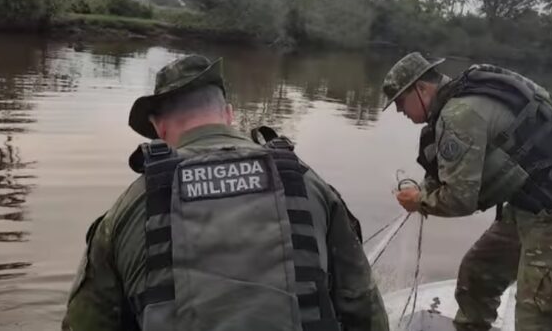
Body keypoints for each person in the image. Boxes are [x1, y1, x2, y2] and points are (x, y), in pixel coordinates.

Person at [63, 54, 389, 331]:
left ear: (159, 130)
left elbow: (86, 323)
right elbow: (363, 310)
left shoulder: (127, 209)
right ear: (230, 114)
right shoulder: (308, 184)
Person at [382, 52, 552, 331]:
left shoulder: (459, 113)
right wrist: (425, 192)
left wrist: (419, 201)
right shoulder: (466, 98)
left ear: (421, 88)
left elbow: (459, 199)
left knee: (542, 315)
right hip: (527, 205)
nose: (399, 111)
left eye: (400, 102)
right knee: (478, 274)